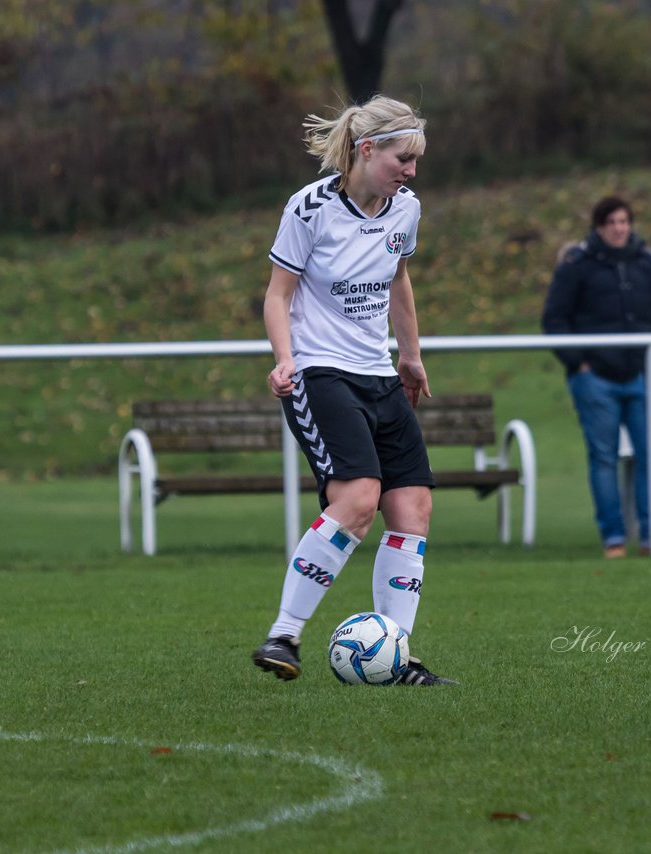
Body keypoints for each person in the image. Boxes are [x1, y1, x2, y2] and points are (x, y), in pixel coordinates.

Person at [251, 95, 455, 686]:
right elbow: (277, 294)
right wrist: (285, 358)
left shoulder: (405, 209)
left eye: (416, 160)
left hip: (379, 373)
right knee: (359, 501)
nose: (411, 171)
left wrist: (410, 356)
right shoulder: (309, 208)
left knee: (412, 509)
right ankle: (284, 634)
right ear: (367, 150)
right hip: (320, 372)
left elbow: (398, 280)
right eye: (402, 158)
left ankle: (396, 657)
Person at [542, 195, 651, 559]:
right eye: (612, 222)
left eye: (624, 221)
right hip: (595, 380)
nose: (619, 228)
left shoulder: (645, 263)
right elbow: (555, 319)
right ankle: (614, 540)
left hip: (640, 375)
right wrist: (579, 364)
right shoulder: (577, 265)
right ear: (599, 226)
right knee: (604, 459)